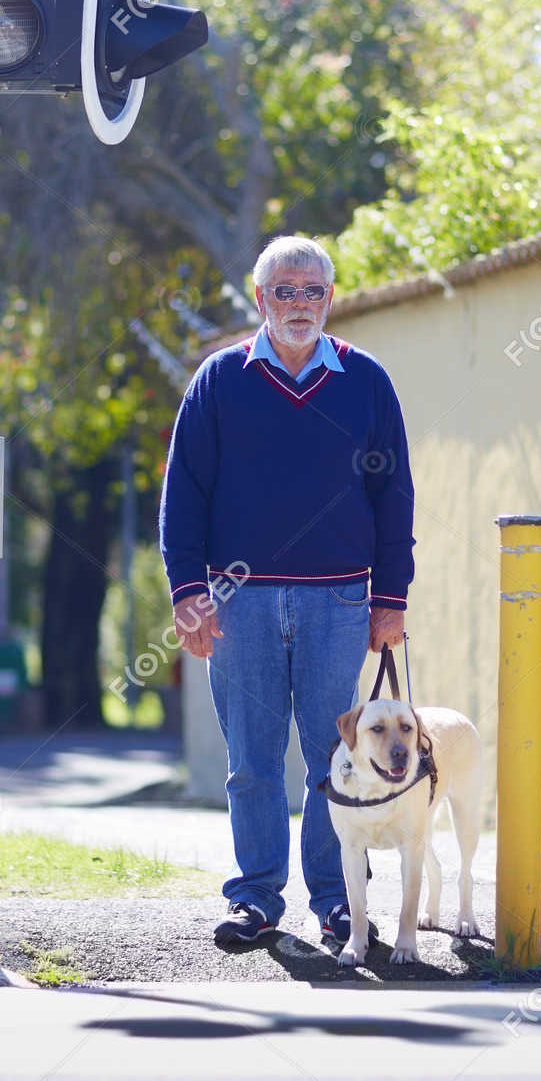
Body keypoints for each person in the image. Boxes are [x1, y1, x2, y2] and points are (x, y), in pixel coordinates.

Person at [159, 235, 415, 948]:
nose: (298, 303)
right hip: (238, 601)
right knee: (251, 760)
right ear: (261, 296)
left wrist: (391, 596)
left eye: (311, 291)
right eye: (284, 290)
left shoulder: (366, 380)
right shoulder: (218, 380)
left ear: (329, 299)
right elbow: (184, 494)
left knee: (335, 759)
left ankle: (337, 901)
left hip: (339, 602)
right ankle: (256, 899)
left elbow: (394, 494)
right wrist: (188, 591)